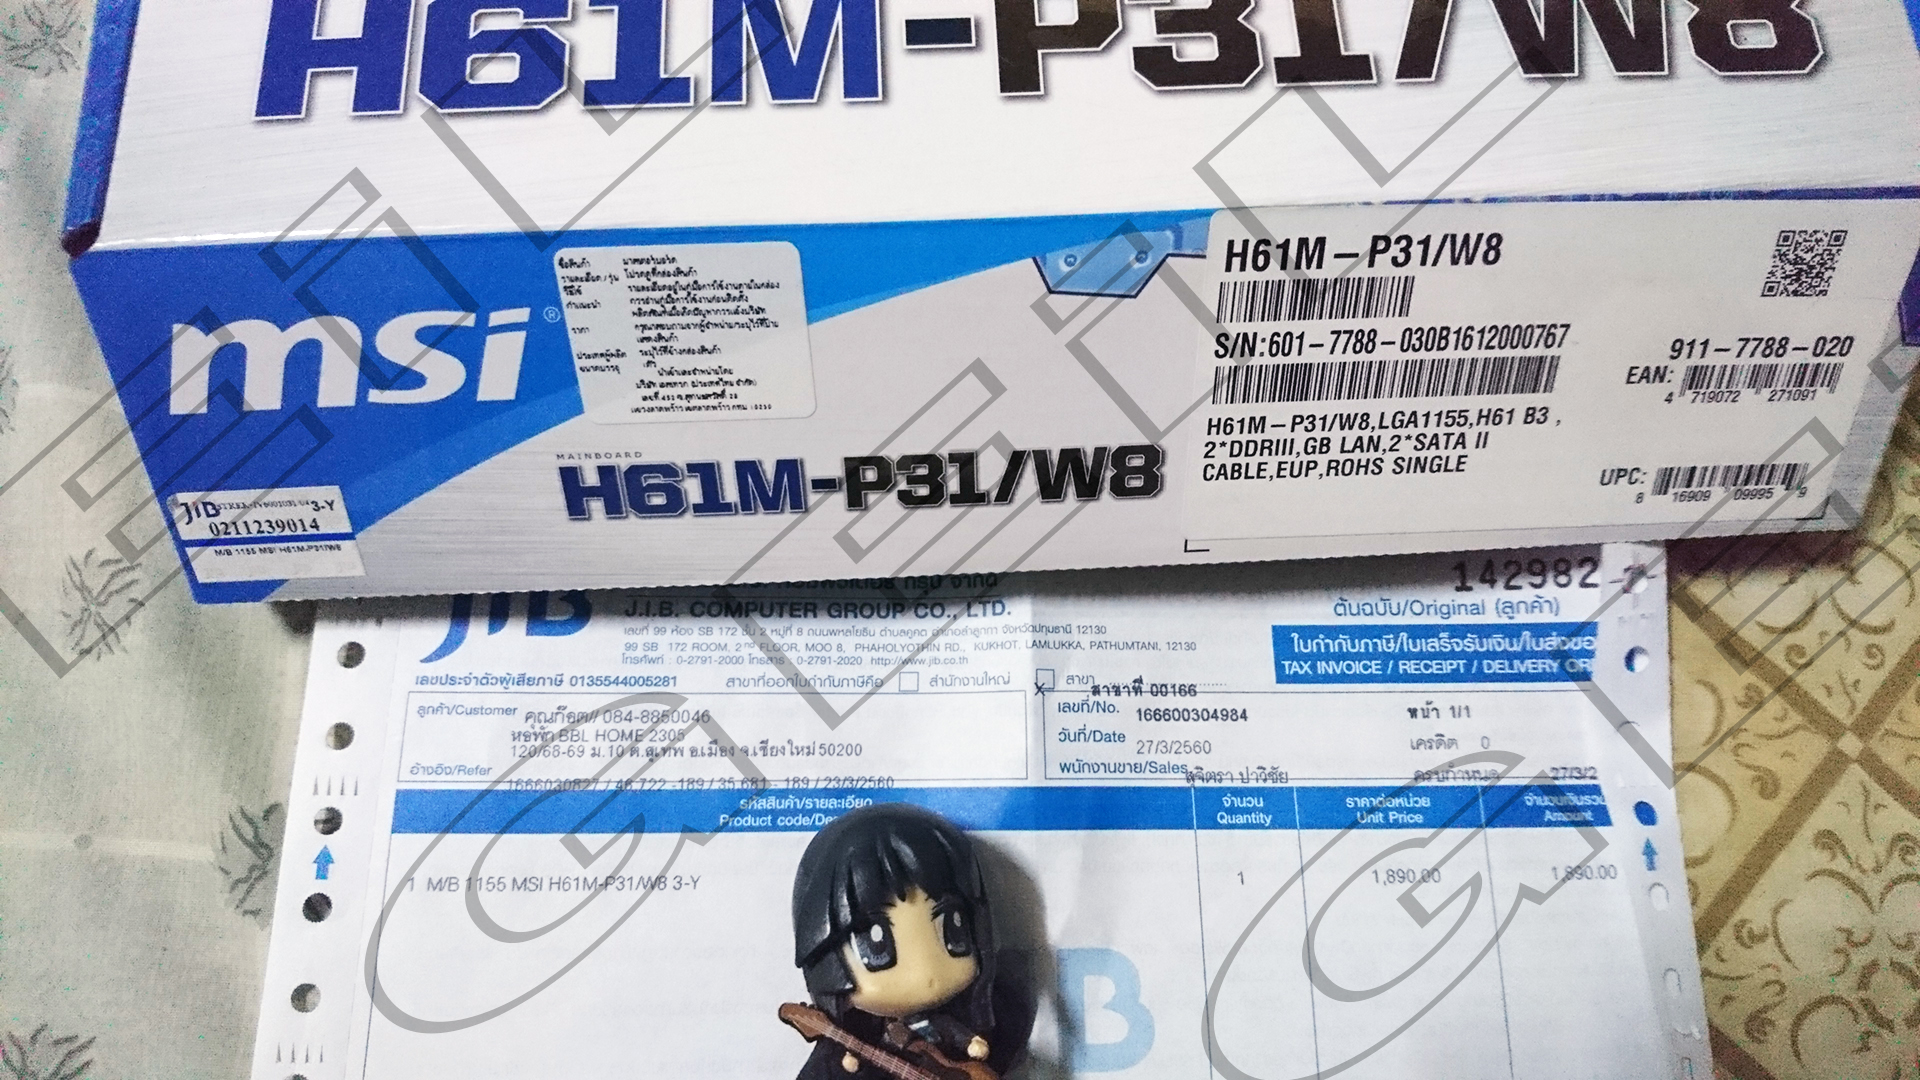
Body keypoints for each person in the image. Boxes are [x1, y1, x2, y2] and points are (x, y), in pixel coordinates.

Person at [787, 803, 1029, 1080]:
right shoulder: (844, 1052)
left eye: (954, 927)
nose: (923, 972)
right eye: (877, 947)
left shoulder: (991, 1016)